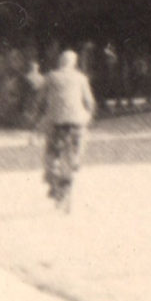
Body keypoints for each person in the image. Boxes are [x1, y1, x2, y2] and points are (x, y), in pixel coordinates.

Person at [37, 50, 96, 211]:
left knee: (51, 153)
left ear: (59, 62)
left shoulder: (50, 77)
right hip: (77, 122)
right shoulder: (81, 78)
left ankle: (51, 177)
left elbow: (40, 101)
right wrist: (89, 116)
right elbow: (89, 102)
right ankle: (76, 161)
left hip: (55, 121)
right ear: (74, 63)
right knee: (80, 142)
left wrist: (40, 116)